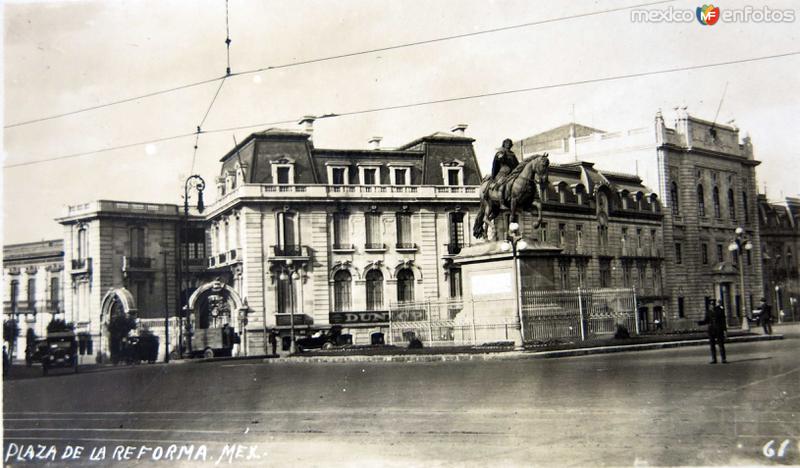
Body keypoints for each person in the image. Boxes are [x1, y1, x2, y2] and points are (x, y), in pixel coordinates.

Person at [698, 299, 727, 364]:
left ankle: (723, 359)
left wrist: (725, 330)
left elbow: (723, 321)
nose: (712, 306)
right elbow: (706, 320)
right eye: (711, 304)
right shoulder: (708, 312)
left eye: (713, 304)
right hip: (711, 330)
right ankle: (714, 359)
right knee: (712, 345)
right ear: (709, 305)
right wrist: (699, 323)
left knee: (721, 344)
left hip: (719, 330)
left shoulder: (720, 310)